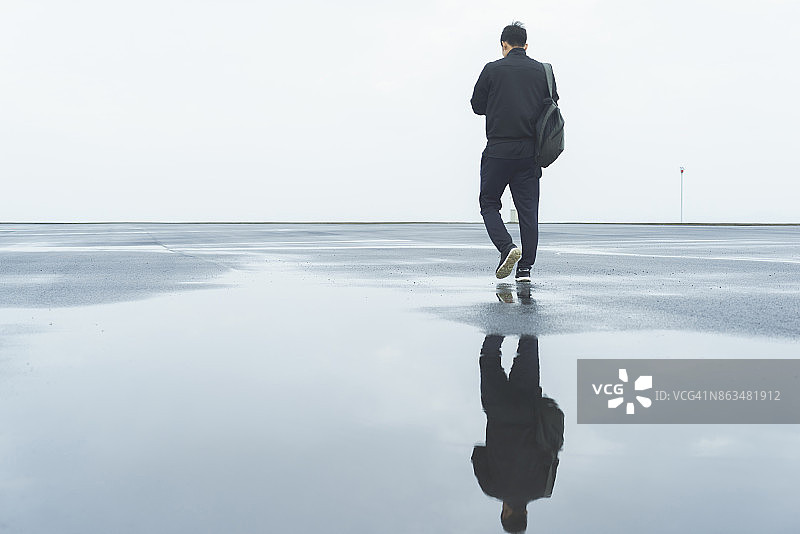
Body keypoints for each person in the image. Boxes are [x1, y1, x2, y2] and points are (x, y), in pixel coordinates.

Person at [471, 22, 560, 282]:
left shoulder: (492, 70)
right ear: (526, 45)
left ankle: (507, 247)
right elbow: (553, 103)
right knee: (528, 211)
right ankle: (525, 270)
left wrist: (499, 104)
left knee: (488, 203)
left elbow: (477, 106)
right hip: (529, 152)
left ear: (504, 45)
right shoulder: (543, 71)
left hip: (498, 148)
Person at [472, 335, 564, 533]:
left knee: (528, 348)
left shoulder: (543, 489)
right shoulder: (492, 488)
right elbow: (477, 454)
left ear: (526, 515)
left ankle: (527, 305)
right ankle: (499, 319)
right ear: (504, 513)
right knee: (489, 357)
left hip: (528, 411)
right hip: (497, 411)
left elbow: (552, 455)